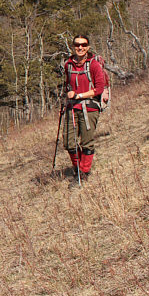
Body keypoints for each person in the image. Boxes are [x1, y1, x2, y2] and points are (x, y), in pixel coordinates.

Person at [63, 34, 107, 184]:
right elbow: (67, 84)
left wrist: (79, 95)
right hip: (71, 107)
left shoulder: (93, 65)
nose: (80, 47)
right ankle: (77, 168)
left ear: (88, 47)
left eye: (83, 45)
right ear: (73, 46)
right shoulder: (68, 65)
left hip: (89, 107)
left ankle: (83, 173)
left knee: (86, 142)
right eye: (77, 45)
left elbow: (99, 88)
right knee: (69, 143)